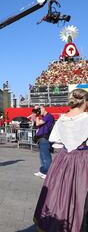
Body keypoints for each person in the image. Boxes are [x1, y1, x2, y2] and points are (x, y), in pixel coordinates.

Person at [34, 89, 88, 232]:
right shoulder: (86, 118)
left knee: (58, 192)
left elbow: (55, 141)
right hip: (83, 159)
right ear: (85, 102)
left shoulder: (62, 119)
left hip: (63, 160)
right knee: (81, 193)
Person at [33, 106, 54, 179]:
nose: (38, 111)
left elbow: (38, 124)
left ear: (43, 109)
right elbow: (35, 122)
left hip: (45, 138)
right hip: (41, 138)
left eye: (39, 109)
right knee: (42, 156)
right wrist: (35, 114)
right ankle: (43, 171)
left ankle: (48, 173)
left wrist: (38, 116)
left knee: (46, 156)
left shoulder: (49, 116)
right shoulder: (42, 117)